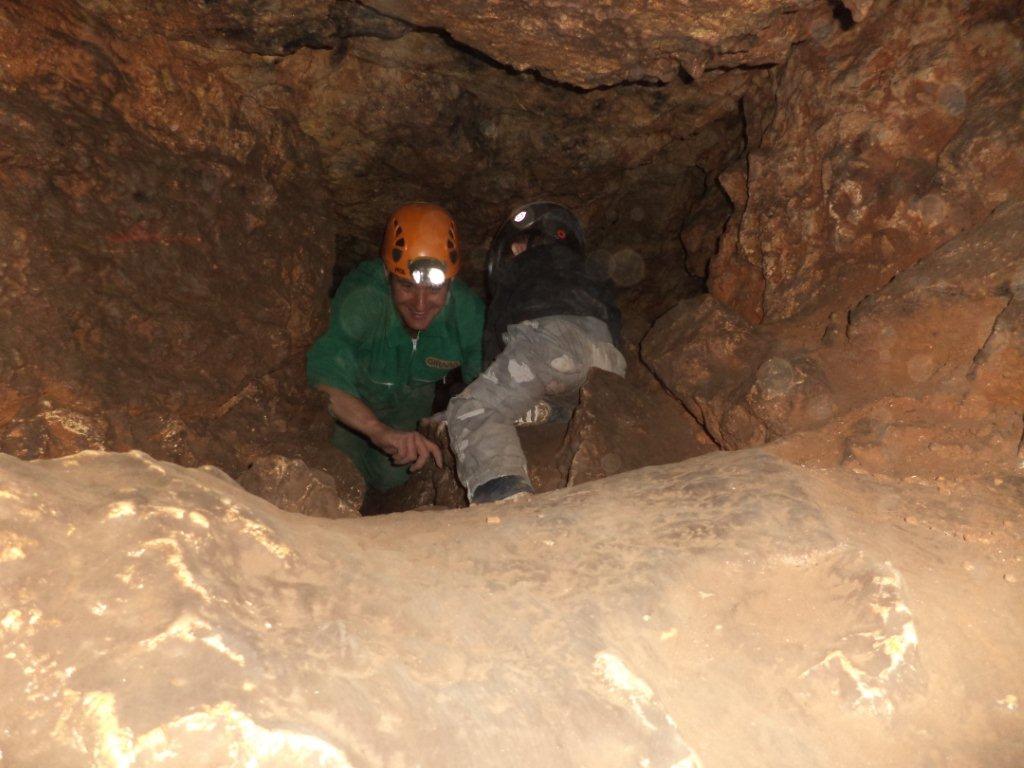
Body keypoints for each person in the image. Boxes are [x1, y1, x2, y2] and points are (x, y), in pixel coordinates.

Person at [446, 201, 626, 504]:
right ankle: (551, 410)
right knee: (565, 388)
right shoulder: (589, 271)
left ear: (517, 247)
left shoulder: (517, 270)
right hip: (607, 357)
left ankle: (502, 489)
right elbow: (617, 324)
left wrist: (488, 387)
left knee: (471, 410)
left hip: (551, 344)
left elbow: (496, 343)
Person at [307, 203, 484, 492]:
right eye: (406, 286)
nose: (420, 305)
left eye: (435, 290)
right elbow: (323, 374)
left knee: (396, 481)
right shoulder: (363, 297)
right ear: (387, 274)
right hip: (351, 405)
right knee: (336, 472)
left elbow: (489, 384)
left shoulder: (466, 314)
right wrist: (377, 431)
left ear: (450, 283)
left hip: (408, 409)